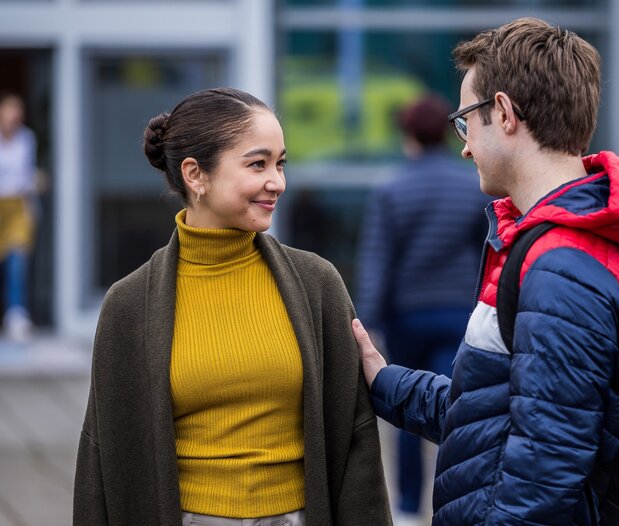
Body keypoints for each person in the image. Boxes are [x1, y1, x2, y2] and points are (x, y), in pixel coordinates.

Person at [352, 17, 619, 525]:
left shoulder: (562, 265)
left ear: (502, 113)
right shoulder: (559, 243)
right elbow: (493, 414)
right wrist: (385, 381)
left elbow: (546, 470)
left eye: (466, 121)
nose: (463, 145)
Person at [73, 87, 391, 526]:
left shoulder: (317, 283)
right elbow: (102, 460)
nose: (277, 181)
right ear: (195, 175)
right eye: (258, 164)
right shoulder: (128, 305)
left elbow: (356, 444)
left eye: (281, 164)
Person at [355, 93, 488, 524]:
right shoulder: (470, 185)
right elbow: (485, 251)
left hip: (407, 315)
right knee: (458, 406)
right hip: (457, 312)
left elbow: (379, 259)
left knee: (407, 403)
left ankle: (409, 509)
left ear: (409, 134)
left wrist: (368, 320)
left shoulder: (392, 188)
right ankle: (457, 501)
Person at [0, 92, 38, 342]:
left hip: (18, 206)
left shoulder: (26, 139)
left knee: (17, 264)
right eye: (9, 111)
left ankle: (16, 315)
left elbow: (27, 176)